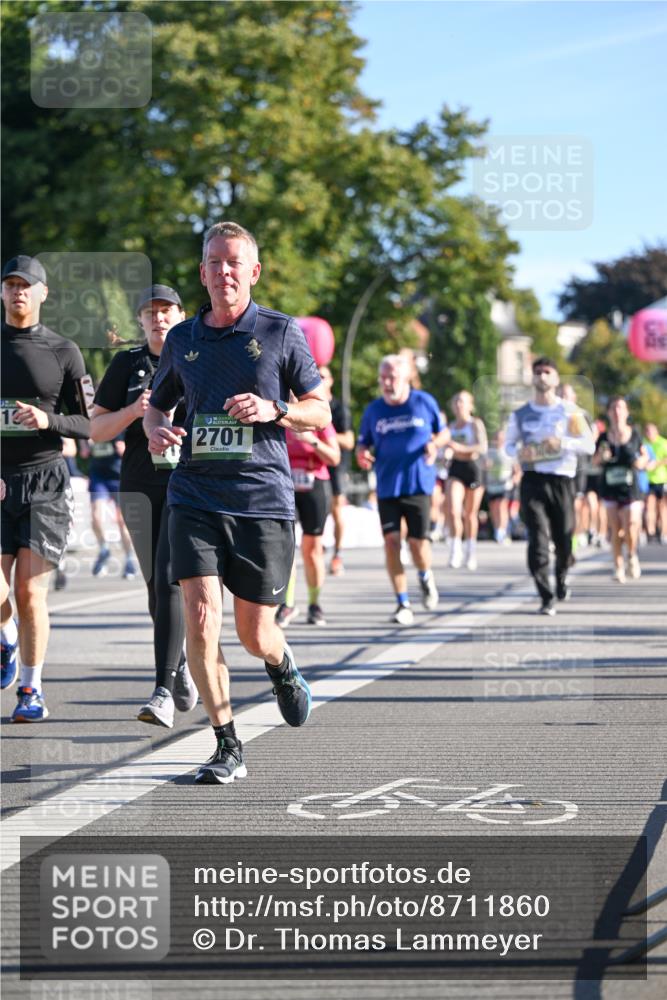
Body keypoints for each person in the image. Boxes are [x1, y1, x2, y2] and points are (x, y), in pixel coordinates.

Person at [143, 222, 329, 783]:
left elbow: (319, 409)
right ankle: (227, 744)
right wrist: (155, 429)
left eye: (234, 262)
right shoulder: (182, 339)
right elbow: (158, 405)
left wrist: (276, 409)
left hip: (262, 499)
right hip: (194, 494)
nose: (223, 271)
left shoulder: (279, 331)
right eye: (214, 262)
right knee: (201, 616)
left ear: (254, 271)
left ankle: (281, 663)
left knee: (255, 634)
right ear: (202, 273)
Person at [90, 284, 197, 728]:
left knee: (170, 580)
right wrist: (134, 411)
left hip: (186, 484)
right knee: (156, 587)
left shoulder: (196, 356)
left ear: (181, 315)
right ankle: (180, 662)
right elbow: (96, 429)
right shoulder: (126, 364)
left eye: (166, 310)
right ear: (140, 321)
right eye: (150, 312)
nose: (159, 318)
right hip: (137, 485)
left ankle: (161, 690)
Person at [1, 255, 92, 719]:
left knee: (29, 593)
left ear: (42, 293)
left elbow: (90, 423)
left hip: (46, 483)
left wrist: (48, 420)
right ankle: (7, 638)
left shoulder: (64, 351)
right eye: (10, 284)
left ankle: (31, 690)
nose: (18, 291)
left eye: (26, 285)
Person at [356, 354, 448, 625]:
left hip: (418, 484)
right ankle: (402, 602)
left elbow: (444, 433)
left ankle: (425, 575)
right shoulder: (373, 410)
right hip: (387, 486)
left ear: (406, 377)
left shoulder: (424, 402)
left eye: (392, 377)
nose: (387, 383)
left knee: (418, 545)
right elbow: (363, 443)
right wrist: (362, 454)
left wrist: (434, 444)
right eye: (383, 378)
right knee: (392, 542)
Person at [505, 356, 594, 615]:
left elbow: (588, 445)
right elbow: (507, 444)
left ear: (555, 378)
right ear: (532, 378)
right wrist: (518, 452)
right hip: (533, 480)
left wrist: (562, 443)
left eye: (546, 372)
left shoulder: (569, 411)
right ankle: (546, 595)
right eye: (537, 372)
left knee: (564, 539)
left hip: (561, 480)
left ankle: (562, 577)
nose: (541, 376)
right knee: (538, 539)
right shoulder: (521, 414)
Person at [275, 415, 340, 627]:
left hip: (314, 485)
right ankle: (288, 603)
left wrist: (311, 440)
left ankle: (314, 603)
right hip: (284, 486)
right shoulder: (276, 416)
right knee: (286, 548)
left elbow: (335, 458)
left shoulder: (318, 418)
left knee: (312, 550)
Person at [595, 397, 649, 583]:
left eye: (620, 408)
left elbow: (645, 456)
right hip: (610, 486)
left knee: (631, 525)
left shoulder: (635, 435)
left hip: (630, 488)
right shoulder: (603, 437)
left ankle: (632, 555)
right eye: (614, 408)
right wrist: (602, 457)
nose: (617, 412)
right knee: (615, 527)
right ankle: (618, 566)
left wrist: (640, 462)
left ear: (626, 412)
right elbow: (594, 461)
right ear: (609, 413)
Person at [82, 433, 137, 579]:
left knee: (122, 522)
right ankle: (104, 549)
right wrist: (86, 444)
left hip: (118, 476)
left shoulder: (119, 430)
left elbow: (127, 450)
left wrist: (122, 448)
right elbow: (84, 452)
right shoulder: (90, 427)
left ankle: (129, 559)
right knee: (96, 517)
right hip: (98, 476)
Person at [317, 365, 354, 576]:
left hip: (336, 464)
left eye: (323, 376)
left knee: (337, 509)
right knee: (318, 509)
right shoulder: (309, 404)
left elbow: (349, 440)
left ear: (331, 381)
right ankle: (318, 548)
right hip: (316, 462)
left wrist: (325, 434)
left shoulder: (339, 408)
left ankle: (338, 554)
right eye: (316, 375)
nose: (319, 379)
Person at [445, 390, 488, 570]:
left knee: (470, 514)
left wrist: (459, 448)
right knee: (453, 511)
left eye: (462, 401)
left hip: (473, 468)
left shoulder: (475, 424)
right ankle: (455, 549)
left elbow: (482, 446)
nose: (459, 405)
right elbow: (444, 447)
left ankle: (471, 551)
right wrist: (446, 452)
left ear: (470, 405)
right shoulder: (450, 426)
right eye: (456, 401)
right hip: (456, 468)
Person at [484, 427, 519, 544]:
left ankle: (502, 532)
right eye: (497, 438)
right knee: (493, 508)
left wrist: (515, 479)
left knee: (501, 507)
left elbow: (517, 469)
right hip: (491, 485)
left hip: (505, 485)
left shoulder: (509, 452)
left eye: (501, 438)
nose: (498, 440)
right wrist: (486, 466)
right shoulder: (489, 452)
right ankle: (497, 530)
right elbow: (483, 467)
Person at [643, 422, 667, 542]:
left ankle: (664, 532)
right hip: (648, 480)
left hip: (662, 479)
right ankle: (651, 532)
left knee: (662, 507)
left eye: (651, 431)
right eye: (647, 431)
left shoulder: (663, 443)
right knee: (649, 505)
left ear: (656, 431)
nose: (649, 433)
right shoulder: (644, 443)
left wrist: (656, 464)